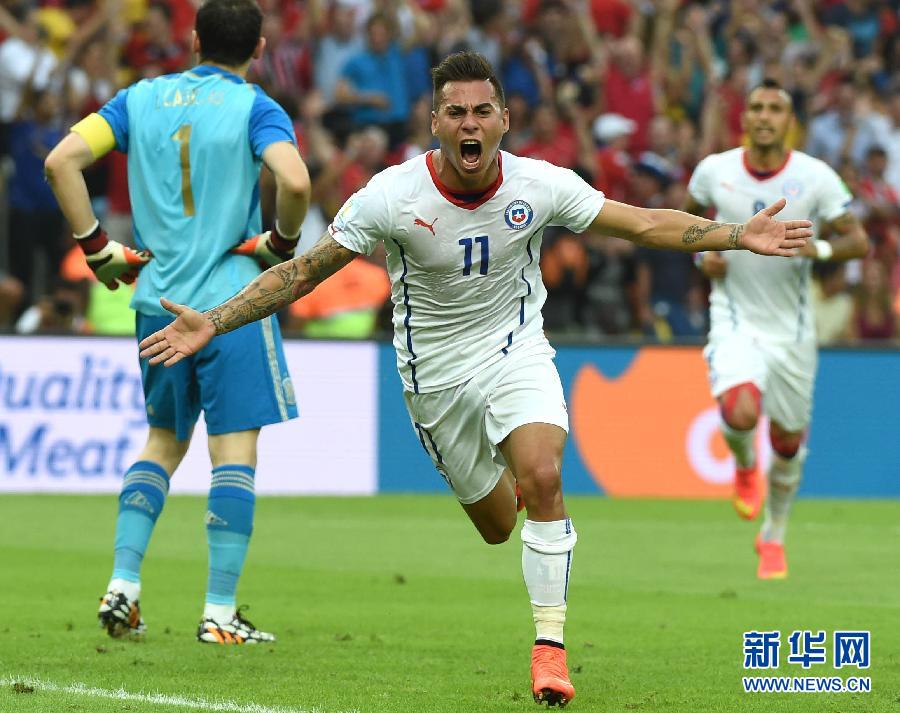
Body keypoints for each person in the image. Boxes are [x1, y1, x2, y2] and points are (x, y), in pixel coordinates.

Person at [138, 52, 810, 705]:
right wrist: (216, 321)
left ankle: (550, 647)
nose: (469, 123)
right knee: (496, 524)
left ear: (504, 120)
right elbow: (303, 271)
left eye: (482, 111)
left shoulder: (539, 184)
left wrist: (733, 235)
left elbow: (639, 222)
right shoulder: (392, 196)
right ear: (435, 122)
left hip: (516, 352)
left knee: (544, 476)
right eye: (455, 111)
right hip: (434, 381)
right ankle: (518, 505)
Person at [44, 0, 311, 645]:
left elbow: (60, 162)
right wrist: (280, 240)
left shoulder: (138, 100)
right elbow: (296, 182)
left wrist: (97, 246)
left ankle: (123, 586)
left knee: (162, 442)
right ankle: (219, 613)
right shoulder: (254, 107)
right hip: (229, 307)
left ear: (192, 41)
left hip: (157, 302)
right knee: (234, 453)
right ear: (259, 46)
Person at [683, 79, 869, 580]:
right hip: (735, 318)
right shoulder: (714, 173)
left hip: (792, 330)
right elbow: (687, 224)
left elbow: (859, 242)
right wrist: (705, 256)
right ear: (744, 117)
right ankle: (745, 466)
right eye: (757, 107)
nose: (765, 116)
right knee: (741, 410)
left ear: (790, 121)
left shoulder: (816, 178)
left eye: (776, 108)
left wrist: (819, 249)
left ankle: (774, 535)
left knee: (787, 440)